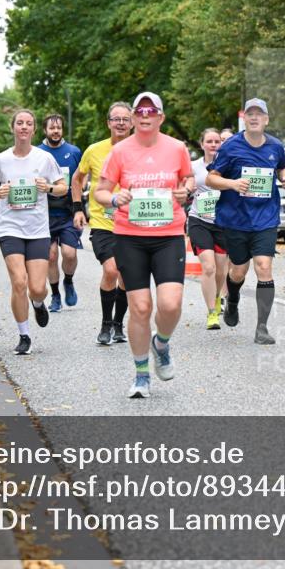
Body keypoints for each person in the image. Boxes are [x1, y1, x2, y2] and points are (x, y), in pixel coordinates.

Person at [94, 92, 193, 398]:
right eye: (140, 110)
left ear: (161, 117)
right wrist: (113, 198)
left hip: (168, 236)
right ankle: (141, 376)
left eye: (152, 110)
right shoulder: (120, 151)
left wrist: (184, 191)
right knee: (139, 307)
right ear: (135, 117)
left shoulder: (177, 148)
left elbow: (188, 180)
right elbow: (100, 191)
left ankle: (160, 343)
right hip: (129, 237)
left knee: (170, 304)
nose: (145, 115)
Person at [0, 109, 67, 355]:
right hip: (10, 228)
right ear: (13, 128)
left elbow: (63, 187)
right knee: (19, 282)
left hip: (38, 229)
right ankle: (24, 334)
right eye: (20, 123)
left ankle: (38, 303)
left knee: (37, 288)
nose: (24, 127)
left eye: (29, 123)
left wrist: (48, 187)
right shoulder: (1, 160)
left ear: (34, 129)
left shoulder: (44, 159)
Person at [206, 98, 285, 345]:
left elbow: (283, 169)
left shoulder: (275, 146)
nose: (254, 118)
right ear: (244, 119)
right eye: (250, 114)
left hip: (265, 218)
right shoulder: (231, 146)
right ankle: (232, 299)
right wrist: (232, 184)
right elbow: (212, 178)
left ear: (266, 119)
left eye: (259, 114)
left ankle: (262, 327)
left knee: (264, 266)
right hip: (236, 219)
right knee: (238, 271)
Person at [74, 101, 133, 345]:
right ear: (108, 123)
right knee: (111, 270)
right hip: (103, 222)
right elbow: (77, 179)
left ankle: (119, 324)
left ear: (132, 123)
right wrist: (78, 209)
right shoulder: (94, 150)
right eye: (116, 119)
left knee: (127, 277)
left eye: (125, 119)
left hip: (133, 224)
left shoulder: (141, 150)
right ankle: (105, 324)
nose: (120, 123)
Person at [38, 113, 84, 312]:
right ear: (45, 130)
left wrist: (78, 209)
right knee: (50, 256)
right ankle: (55, 294)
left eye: (58, 128)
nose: (55, 131)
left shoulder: (73, 152)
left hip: (67, 213)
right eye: (51, 128)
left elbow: (79, 182)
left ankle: (69, 281)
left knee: (69, 254)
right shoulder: (37, 153)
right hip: (44, 214)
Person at [188, 128, 229, 329]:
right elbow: (182, 184)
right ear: (202, 144)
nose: (213, 145)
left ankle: (218, 294)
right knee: (209, 267)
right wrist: (188, 189)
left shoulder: (227, 165)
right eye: (209, 141)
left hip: (222, 222)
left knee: (221, 269)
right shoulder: (193, 167)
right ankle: (212, 313)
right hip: (199, 220)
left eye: (217, 141)